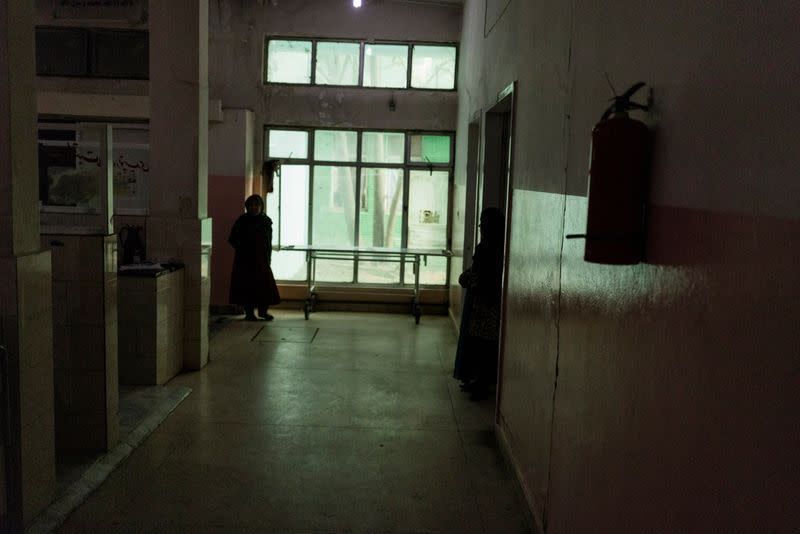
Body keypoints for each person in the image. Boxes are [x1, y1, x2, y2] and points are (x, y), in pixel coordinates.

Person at [453, 207, 504, 400]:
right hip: (485, 300)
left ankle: (482, 382)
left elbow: (482, 274)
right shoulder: (495, 246)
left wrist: (469, 278)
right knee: (480, 342)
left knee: (484, 343)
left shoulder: (489, 248)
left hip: (486, 301)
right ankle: (479, 379)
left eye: (484, 222)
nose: (481, 226)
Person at [228, 160, 281, 321]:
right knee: (247, 287)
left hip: (262, 260)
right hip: (245, 262)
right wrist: (244, 250)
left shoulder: (266, 221)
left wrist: (266, 257)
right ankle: (249, 313)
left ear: (261, 207)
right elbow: (232, 239)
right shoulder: (242, 221)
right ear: (247, 207)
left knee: (263, 286)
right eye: (251, 206)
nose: (254, 208)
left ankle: (263, 312)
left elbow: (268, 241)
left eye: (257, 206)